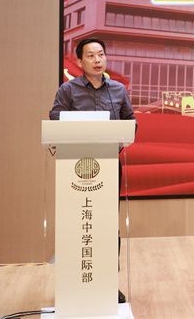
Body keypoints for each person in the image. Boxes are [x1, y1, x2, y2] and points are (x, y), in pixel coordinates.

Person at [50, 37, 135, 304]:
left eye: (101, 54)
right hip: (75, 169)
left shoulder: (118, 90)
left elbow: (130, 120)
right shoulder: (68, 90)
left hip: (109, 164)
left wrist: (122, 135)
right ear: (79, 61)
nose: (97, 60)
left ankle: (108, 283)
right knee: (78, 223)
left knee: (108, 225)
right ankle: (75, 282)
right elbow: (55, 119)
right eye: (90, 55)